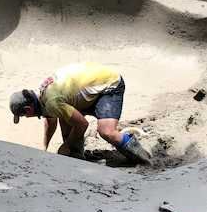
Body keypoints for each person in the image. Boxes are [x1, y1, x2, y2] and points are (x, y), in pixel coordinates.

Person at [9, 63, 151, 163]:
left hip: (109, 84)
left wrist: (66, 146)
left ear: (28, 109)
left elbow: (82, 124)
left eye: (24, 115)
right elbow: (50, 121)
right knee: (65, 121)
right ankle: (77, 159)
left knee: (106, 131)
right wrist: (44, 148)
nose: (26, 117)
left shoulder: (51, 101)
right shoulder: (41, 95)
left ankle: (145, 158)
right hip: (91, 85)